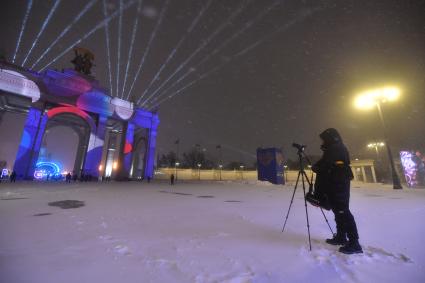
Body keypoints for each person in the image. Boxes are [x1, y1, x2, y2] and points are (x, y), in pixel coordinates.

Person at [312, 128, 362, 254]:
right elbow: (325, 164)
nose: (323, 142)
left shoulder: (336, 148)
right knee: (338, 211)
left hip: (338, 184)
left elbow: (325, 164)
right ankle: (341, 237)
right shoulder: (334, 148)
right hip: (335, 183)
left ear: (331, 138)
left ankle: (354, 243)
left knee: (343, 211)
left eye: (324, 139)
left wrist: (316, 167)